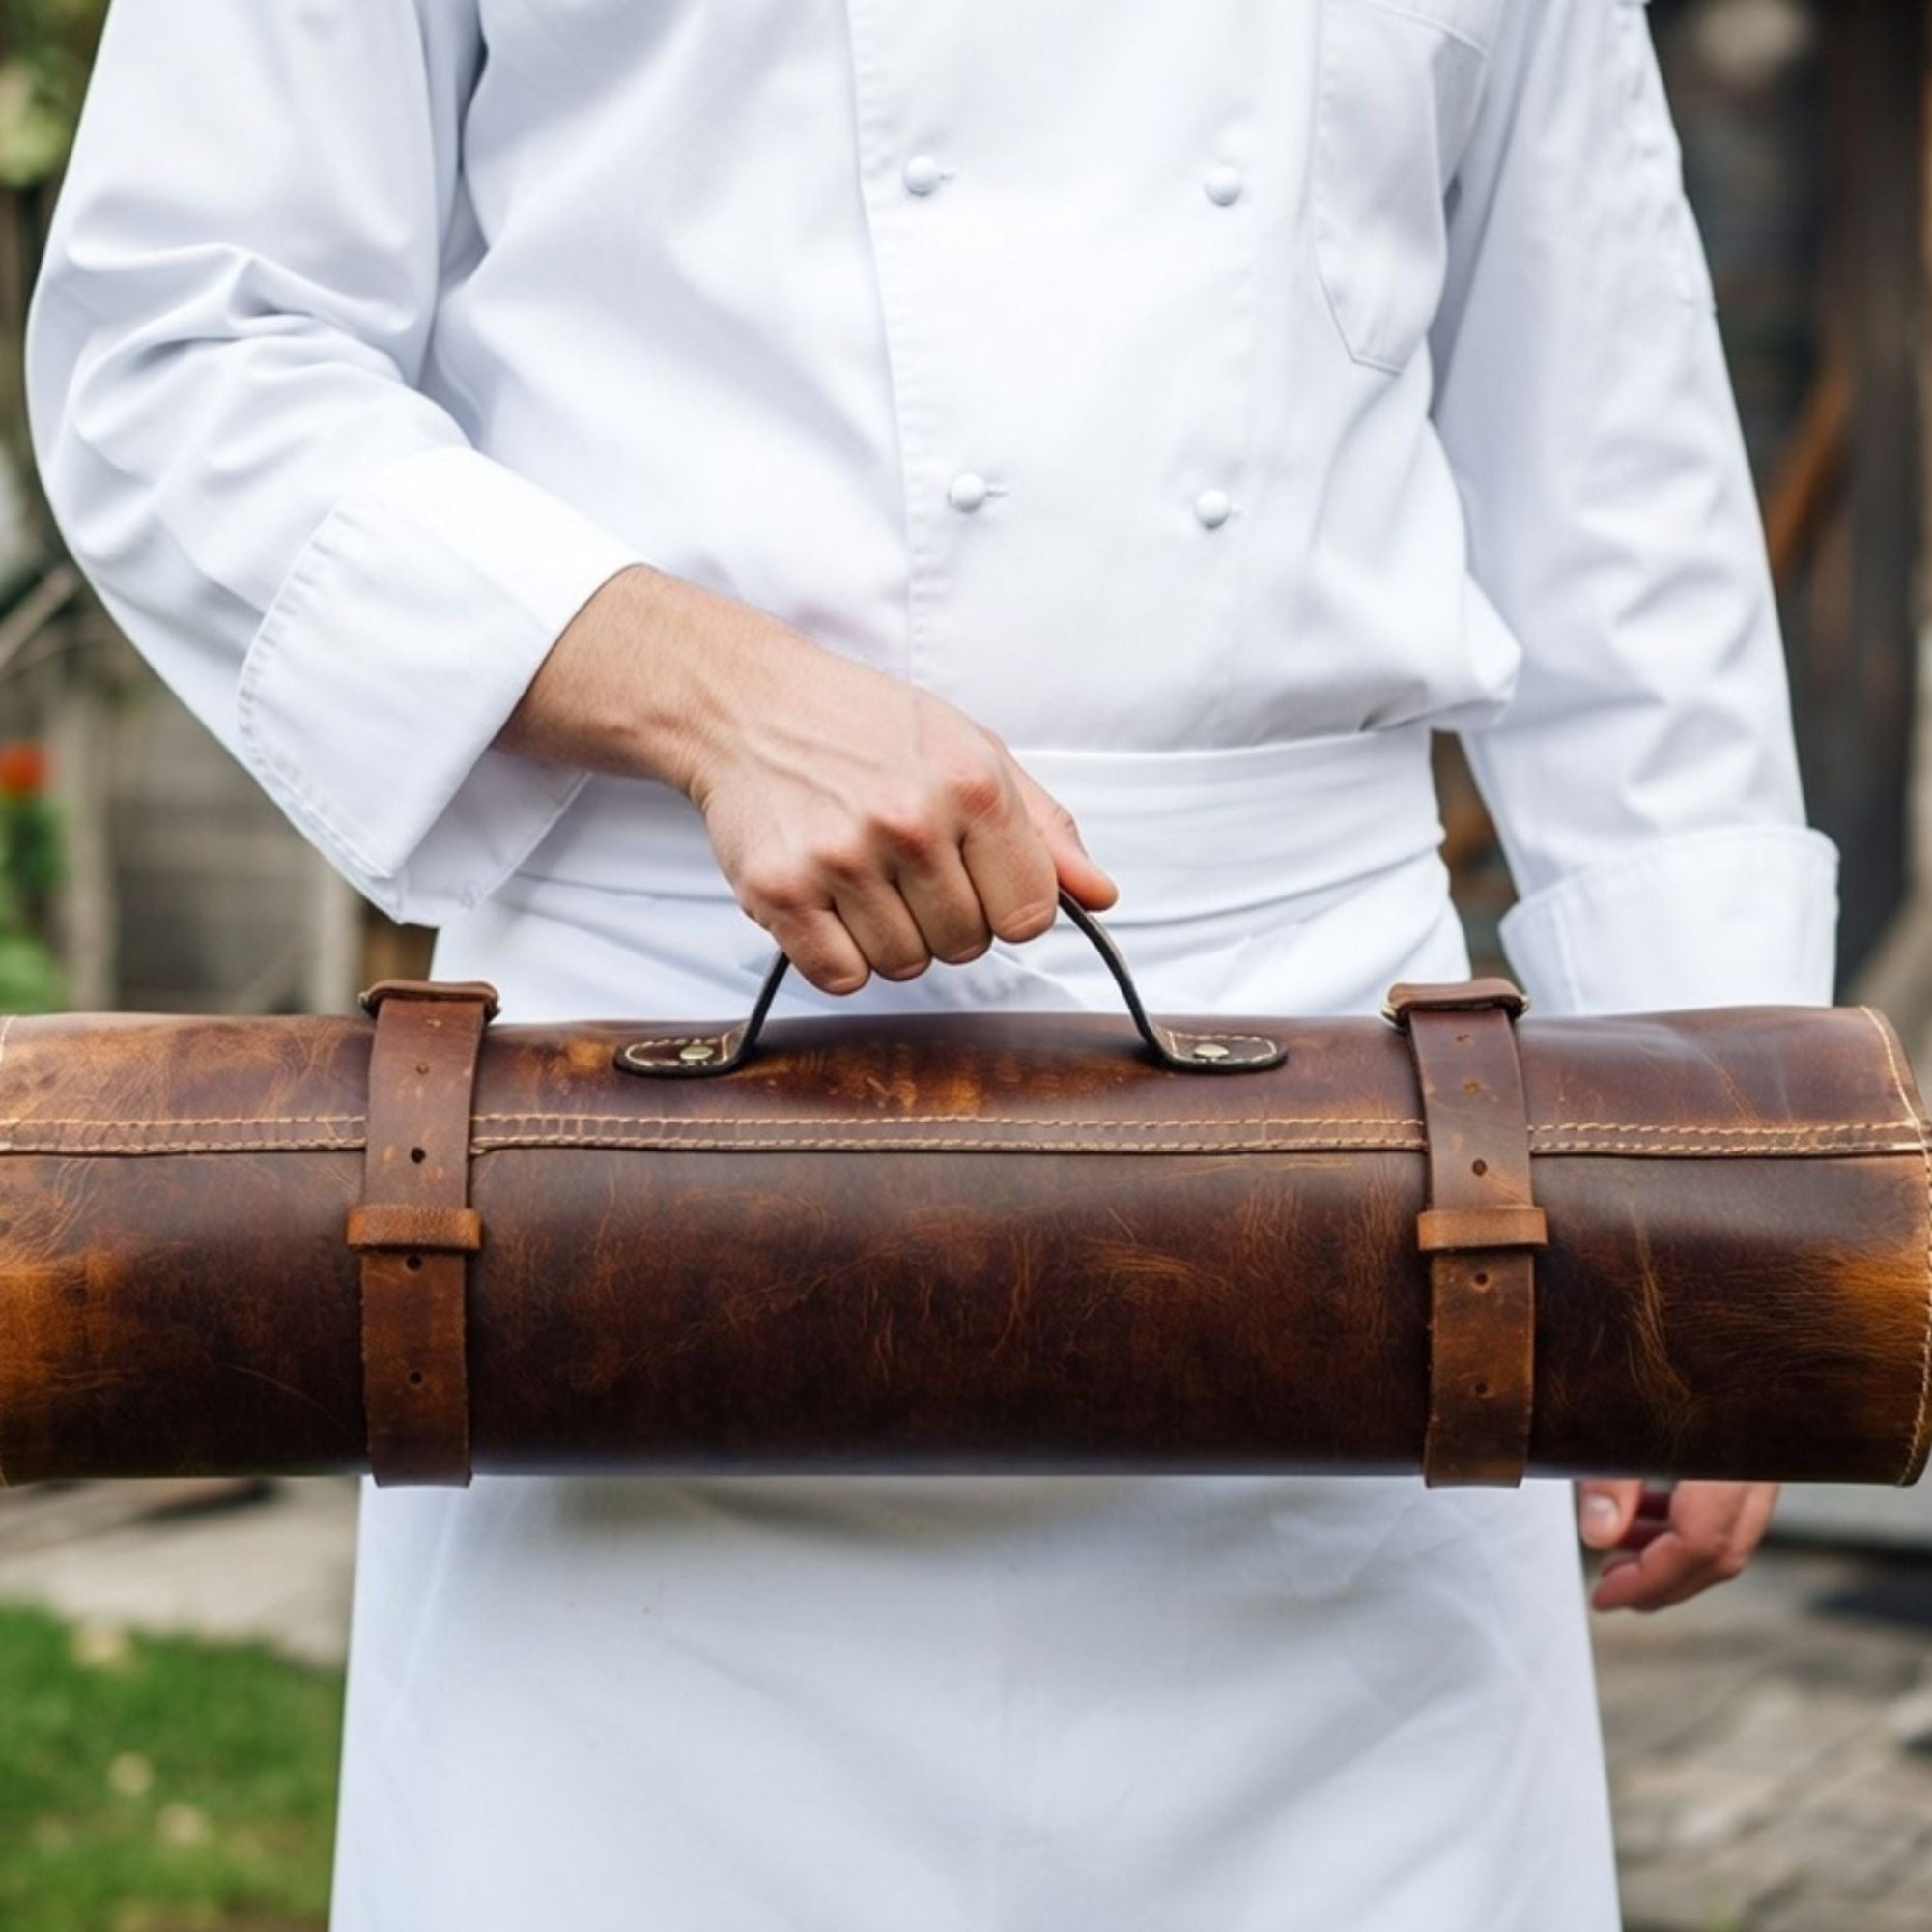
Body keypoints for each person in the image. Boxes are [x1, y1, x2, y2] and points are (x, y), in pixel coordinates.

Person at [25, 1, 1838, 1926]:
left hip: (1354, 1207)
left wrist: (1726, 1224)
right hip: (631, 1200)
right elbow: (183, 346)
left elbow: (1613, 492)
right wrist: (702, 690)